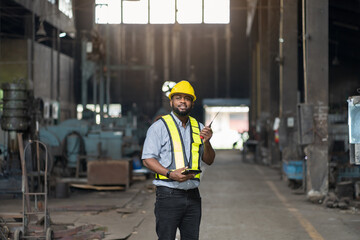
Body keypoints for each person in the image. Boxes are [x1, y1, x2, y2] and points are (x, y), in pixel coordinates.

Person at [142, 80, 216, 240]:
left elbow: (209, 160)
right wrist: (170, 174)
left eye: (187, 98)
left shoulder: (199, 127)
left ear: (192, 103)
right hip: (168, 195)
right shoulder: (159, 127)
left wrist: (207, 142)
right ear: (171, 102)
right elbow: (147, 159)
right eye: (178, 97)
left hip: (193, 196)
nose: (183, 101)